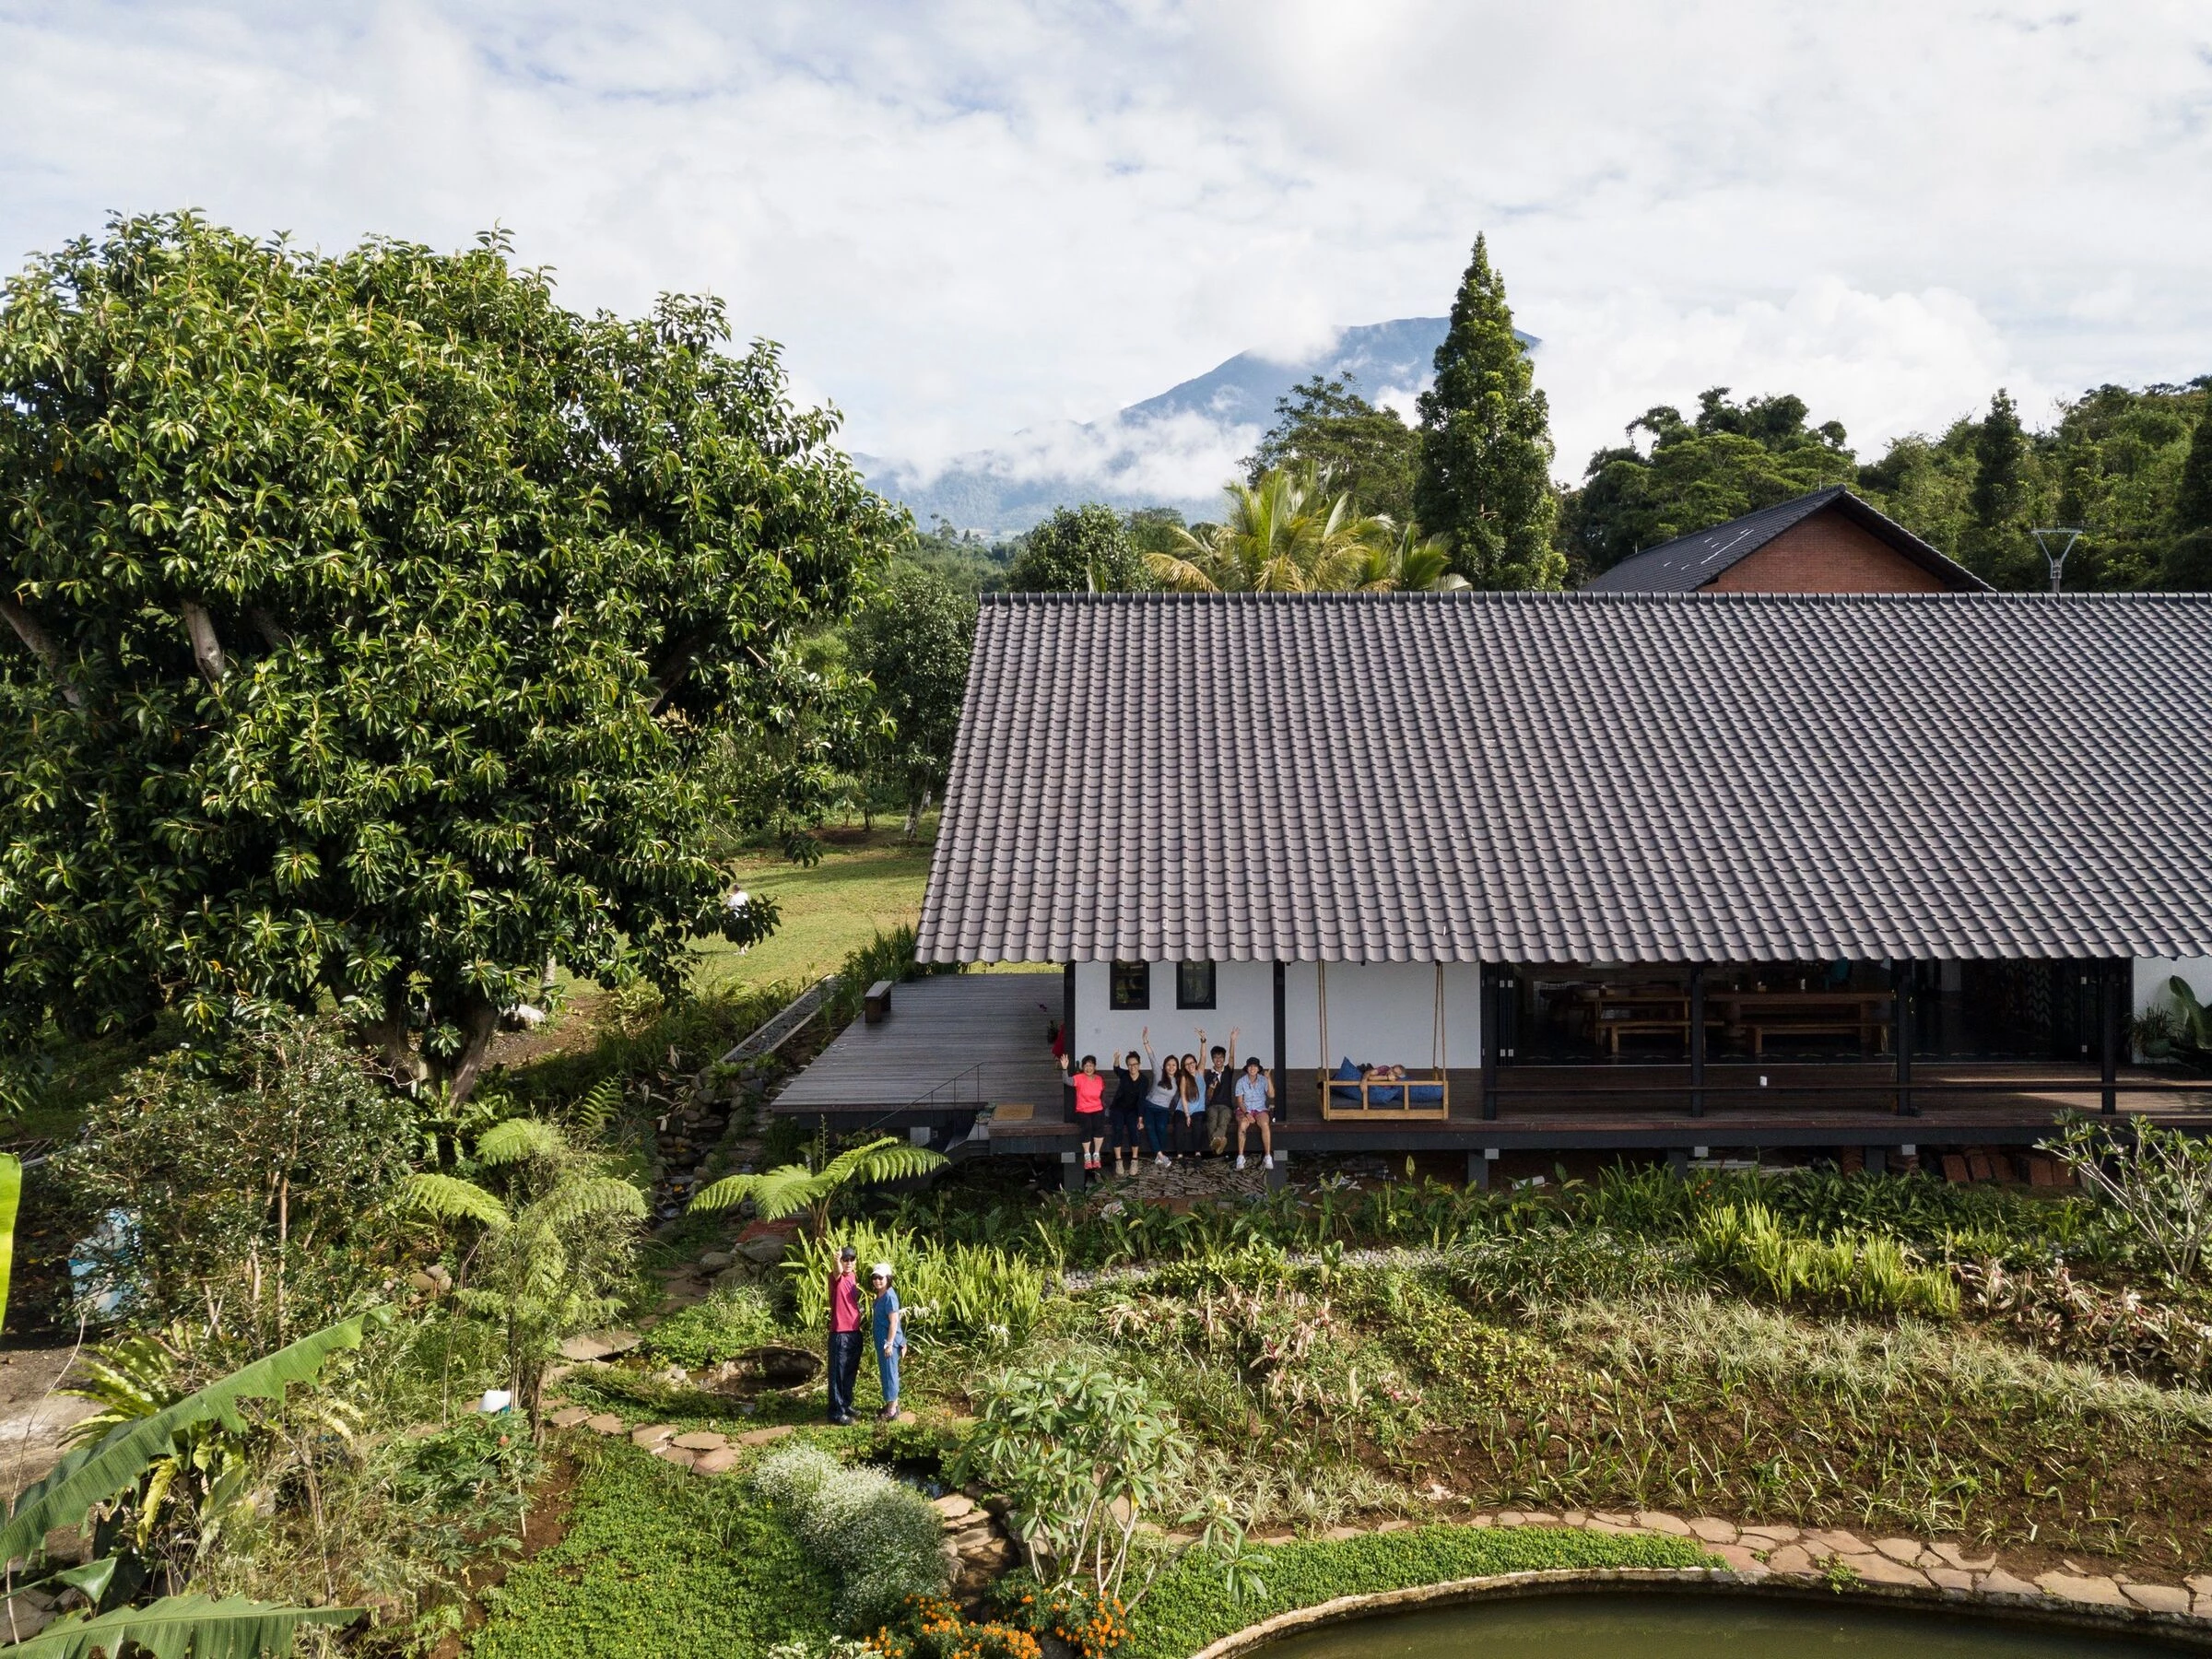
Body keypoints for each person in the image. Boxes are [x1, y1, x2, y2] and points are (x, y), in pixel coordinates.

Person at [826, 1244, 863, 1425]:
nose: (848, 1262)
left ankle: (846, 1404)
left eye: (852, 1259)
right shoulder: (835, 1278)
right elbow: (837, 1272)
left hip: (855, 1332)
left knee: (850, 1372)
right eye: (845, 1259)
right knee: (837, 1374)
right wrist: (835, 1260)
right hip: (840, 1333)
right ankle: (836, 1412)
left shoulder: (853, 1277)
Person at [870, 1261, 906, 1421]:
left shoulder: (890, 1297)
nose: (877, 1280)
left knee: (890, 1375)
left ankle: (891, 1411)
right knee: (886, 1373)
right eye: (875, 1277)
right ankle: (892, 1405)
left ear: (888, 1278)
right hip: (883, 1341)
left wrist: (890, 1343)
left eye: (881, 1278)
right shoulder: (881, 1294)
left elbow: (894, 1322)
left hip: (888, 1342)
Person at [1060, 1051, 1107, 1173]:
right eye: (1086, 1066)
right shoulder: (1079, 1078)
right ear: (1082, 1067)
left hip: (1097, 1108)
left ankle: (1096, 1154)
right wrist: (1064, 1068)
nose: (1088, 1068)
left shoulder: (1099, 1079)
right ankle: (1087, 1155)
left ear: (1094, 1067)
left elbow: (1102, 1096)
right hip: (1083, 1110)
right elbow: (1066, 1081)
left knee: (1098, 1127)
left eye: (1091, 1065)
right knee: (1087, 1127)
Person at [1195, 1027, 1240, 1157]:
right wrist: (1211, 1088)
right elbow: (1208, 1097)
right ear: (1212, 1059)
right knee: (1212, 1119)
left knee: (1224, 1119)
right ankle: (1220, 1141)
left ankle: (1216, 1144)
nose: (1218, 1060)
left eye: (1221, 1057)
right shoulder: (1209, 1075)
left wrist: (1232, 1040)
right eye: (1215, 1057)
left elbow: (1232, 1056)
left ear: (1224, 1059)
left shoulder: (1228, 1071)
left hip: (1226, 1106)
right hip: (1212, 1105)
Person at [1139, 1030, 1178, 1169]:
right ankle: (1161, 1156)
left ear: (1177, 1067)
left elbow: (1180, 1098)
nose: (1171, 1067)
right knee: (1150, 1127)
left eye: (1174, 1065)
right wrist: (1145, 1041)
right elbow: (1152, 1057)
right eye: (1169, 1064)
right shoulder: (1159, 1072)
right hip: (1149, 1106)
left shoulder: (1178, 1081)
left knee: (1161, 1128)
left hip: (1163, 1110)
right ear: (1165, 1065)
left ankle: (1158, 1155)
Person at [1108, 1049, 1147, 1179]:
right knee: (1118, 1128)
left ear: (1139, 1064)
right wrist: (1116, 1058)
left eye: (1135, 1064)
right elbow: (1116, 1068)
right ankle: (1119, 1161)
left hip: (1133, 1110)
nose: (1133, 1067)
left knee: (1133, 1129)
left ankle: (1134, 1160)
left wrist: (1140, 1119)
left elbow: (1142, 1099)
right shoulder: (1124, 1075)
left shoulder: (1143, 1080)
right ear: (1127, 1065)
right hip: (1118, 1108)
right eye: (1130, 1064)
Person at [1232, 1053, 1275, 1171]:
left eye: (1255, 1066)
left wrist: (1269, 1079)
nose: (1252, 1069)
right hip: (1245, 1109)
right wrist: (1247, 1113)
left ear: (1258, 1069)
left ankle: (1267, 1156)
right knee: (1243, 1124)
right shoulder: (1241, 1081)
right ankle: (1240, 1156)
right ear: (1247, 1068)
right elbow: (1240, 1102)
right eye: (1250, 1066)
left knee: (1265, 1124)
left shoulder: (1263, 1079)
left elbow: (1271, 1094)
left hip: (1260, 1108)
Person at [1173, 1051, 1205, 1159]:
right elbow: (1183, 1097)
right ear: (1184, 1067)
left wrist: (1203, 1041)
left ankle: (1197, 1153)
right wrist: (1187, 1115)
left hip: (1198, 1109)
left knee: (1198, 1124)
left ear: (1195, 1063)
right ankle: (1180, 1154)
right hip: (1183, 1109)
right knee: (1179, 1125)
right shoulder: (1184, 1078)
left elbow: (1203, 1056)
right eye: (1187, 1064)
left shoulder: (1200, 1072)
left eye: (1192, 1063)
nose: (1190, 1065)